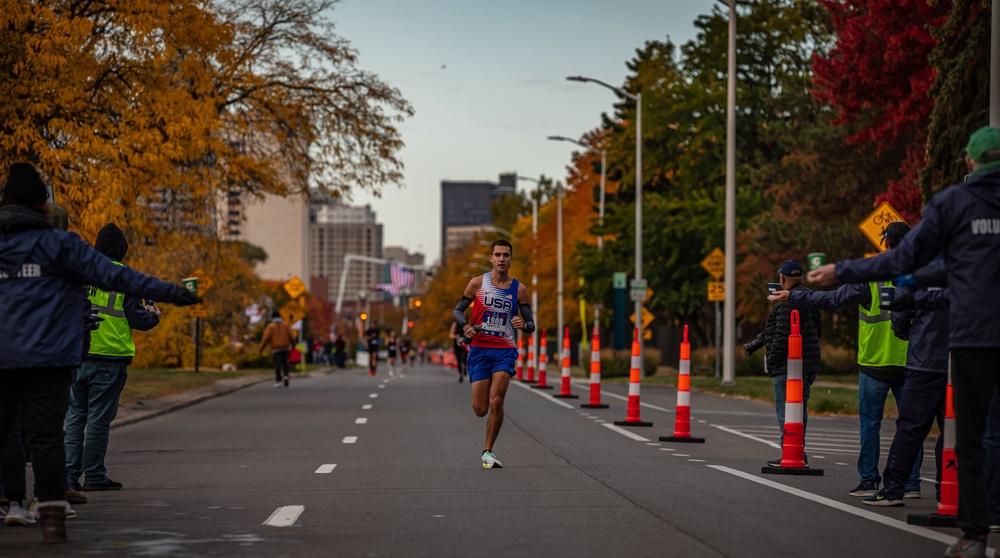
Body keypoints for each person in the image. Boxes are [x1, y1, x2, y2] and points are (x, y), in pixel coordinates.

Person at [808, 126, 1000, 557]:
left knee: (969, 434)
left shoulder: (954, 203)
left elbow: (908, 258)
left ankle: (975, 532)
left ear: (970, 162)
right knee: (995, 433)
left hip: (973, 337)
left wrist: (846, 270)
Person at [0, 162, 200, 543]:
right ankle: (52, 516)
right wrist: (173, 292)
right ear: (42, 206)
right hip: (51, 357)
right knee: (46, 436)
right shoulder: (61, 246)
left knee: (9, 432)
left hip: (4, 355)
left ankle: (12, 503)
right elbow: (120, 277)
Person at [773, 237, 919, 496]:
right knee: (912, 425)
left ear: (885, 243)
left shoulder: (873, 276)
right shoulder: (921, 272)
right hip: (909, 362)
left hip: (874, 361)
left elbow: (833, 299)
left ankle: (869, 480)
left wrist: (795, 295)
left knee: (870, 424)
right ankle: (911, 484)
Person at [64, 223, 162, 493]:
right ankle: (94, 475)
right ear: (122, 250)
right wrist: (153, 314)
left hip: (76, 355)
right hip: (109, 358)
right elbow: (138, 319)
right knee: (98, 419)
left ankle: (68, 478)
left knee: (74, 417)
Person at [452, 239, 535, 469]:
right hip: (479, 349)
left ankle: (488, 451)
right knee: (480, 409)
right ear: (491, 258)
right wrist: (465, 326)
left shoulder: (519, 289)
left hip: (504, 350)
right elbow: (458, 310)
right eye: (497, 255)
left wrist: (524, 324)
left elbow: (530, 323)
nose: (501, 259)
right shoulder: (477, 284)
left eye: (506, 255)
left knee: (497, 400)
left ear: (511, 259)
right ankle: (485, 425)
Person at [747, 260, 822, 465]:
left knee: (786, 412)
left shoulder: (783, 304)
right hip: (809, 365)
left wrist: (770, 362)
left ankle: (791, 453)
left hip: (787, 367)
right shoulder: (810, 298)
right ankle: (799, 452)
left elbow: (780, 336)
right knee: (800, 410)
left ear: (782, 278)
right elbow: (819, 330)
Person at [259, 313, 296, 388]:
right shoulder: (286, 325)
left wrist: (261, 349)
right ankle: (286, 376)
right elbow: (291, 336)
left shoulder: (271, 326)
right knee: (285, 363)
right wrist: (293, 345)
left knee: (277, 365)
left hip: (276, 349)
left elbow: (265, 339)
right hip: (285, 348)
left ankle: (278, 381)